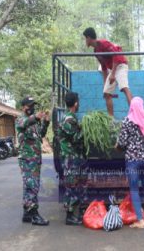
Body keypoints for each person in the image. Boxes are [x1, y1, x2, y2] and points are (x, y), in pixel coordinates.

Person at [116, 97, 144, 229]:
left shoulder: (127, 121)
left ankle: (140, 220)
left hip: (133, 160)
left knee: (134, 189)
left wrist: (118, 146)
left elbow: (122, 143)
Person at [83, 27, 133, 117]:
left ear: (89, 38)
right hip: (112, 69)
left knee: (124, 88)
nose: (85, 41)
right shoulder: (96, 51)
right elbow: (104, 67)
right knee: (106, 93)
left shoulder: (104, 43)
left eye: (85, 38)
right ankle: (111, 119)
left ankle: (135, 114)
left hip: (120, 65)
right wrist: (105, 82)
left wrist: (113, 74)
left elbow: (116, 55)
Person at [16, 96, 50, 226]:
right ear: (23, 107)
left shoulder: (34, 122)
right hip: (27, 159)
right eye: (29, 105)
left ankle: (27, 213)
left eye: (33, 105)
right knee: (33, 187)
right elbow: (24, 123)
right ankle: (34, 215)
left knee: (28, 187)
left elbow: (40, 134)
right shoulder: (20, 119)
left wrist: (46, 122)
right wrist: (36, 117)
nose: (32, 107)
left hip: (35, 159)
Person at [58, 92, 87, 225]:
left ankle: (80, 211)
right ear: (76, 103)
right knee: (72, 186)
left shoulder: (72, 117)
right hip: (70, 158)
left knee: (79, 184)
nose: (79, 103)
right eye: (78, 101)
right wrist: (86, 129)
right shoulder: (68, 119)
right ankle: (69, 216)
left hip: (76, 157)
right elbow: (76, 138)